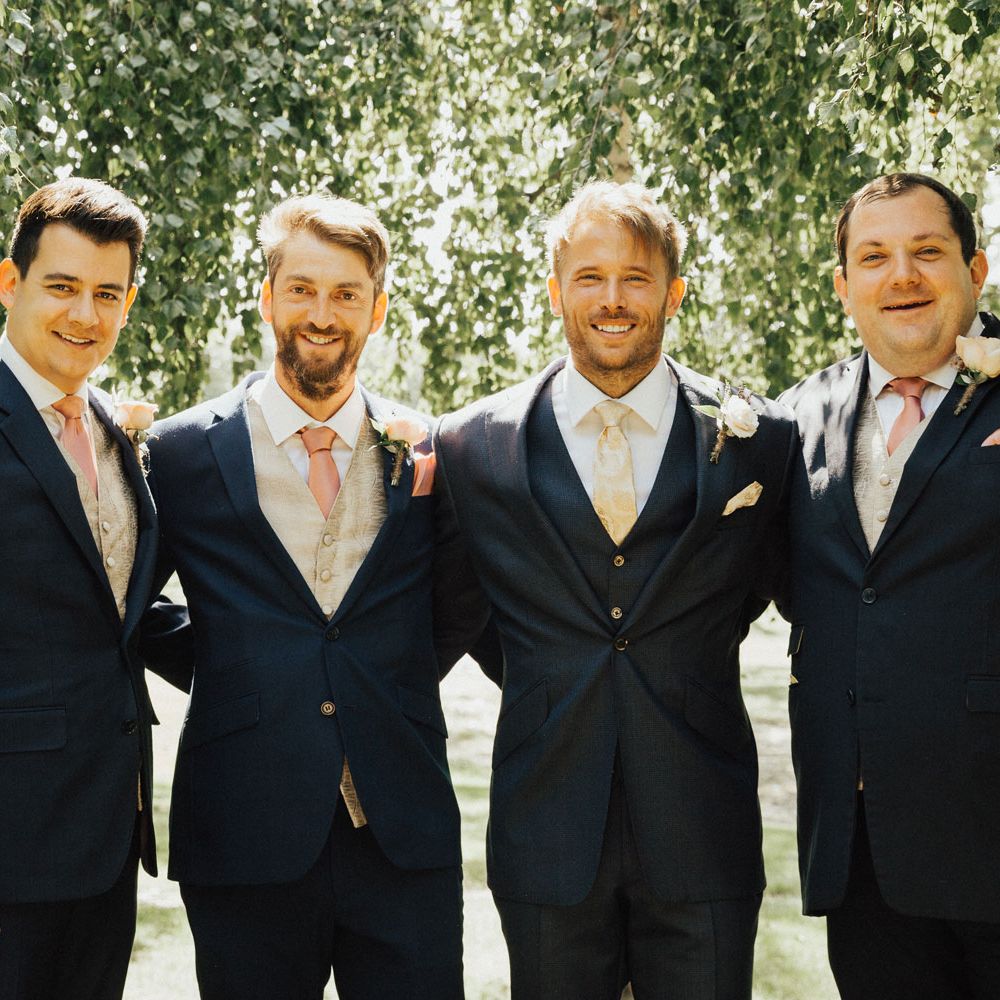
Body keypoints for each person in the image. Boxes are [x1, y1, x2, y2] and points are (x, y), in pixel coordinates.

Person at [434, 180, 797, 1000]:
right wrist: (557, 670)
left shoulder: (759, 440)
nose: (612, 298)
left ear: (673, 291)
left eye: (636, 277)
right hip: (546, 829)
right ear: (555, 289)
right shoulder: (473, 446)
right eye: (589, 276)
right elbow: (471, 617)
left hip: (703, 827)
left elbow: (754, 593)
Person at [147, 193, 472, 1000]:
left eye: (346, 294)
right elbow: (120, 597)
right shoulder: (181, 453)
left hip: (402, 831)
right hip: (244, 829)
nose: (321, 314)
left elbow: (466, 599)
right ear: (266, 299)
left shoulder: (432, 449)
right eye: (301, 289)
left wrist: (384, 674)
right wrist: (235, 667)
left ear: (378, 309)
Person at [780, 172, 1000, 1000]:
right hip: (863, 848)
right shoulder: (796, 415)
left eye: (926, 252)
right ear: (844, 287)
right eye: (873, 257)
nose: (900, 275)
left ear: (975, 271)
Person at [0, 177, 190, 1000]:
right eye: (63, 287)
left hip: (108, 827)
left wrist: (277, 653)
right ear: (10, 284)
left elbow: (117, 606)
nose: (86, 315)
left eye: (107, 294)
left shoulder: (115, 429)